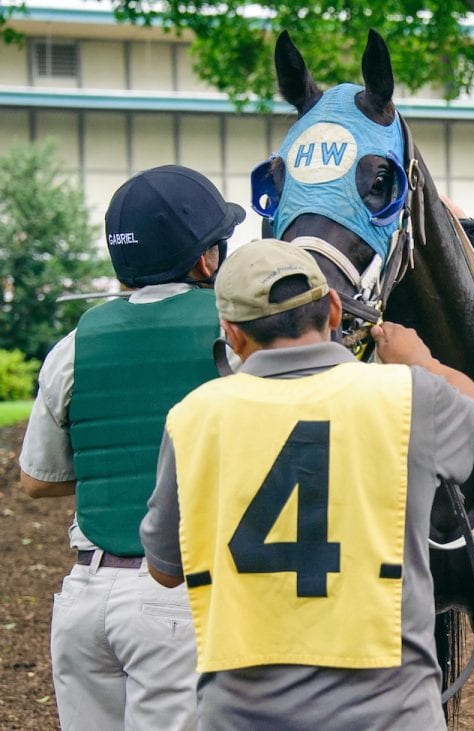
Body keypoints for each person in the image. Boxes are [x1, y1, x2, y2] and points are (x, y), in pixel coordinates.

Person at [140, 239, 474, 729]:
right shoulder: (408, 396)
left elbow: (165, 570)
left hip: (242, 715)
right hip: (390, 712)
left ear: (232, 334)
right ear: (332, 309)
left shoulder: (192, 417)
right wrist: (421, 360)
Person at [19, 164, 245, 730]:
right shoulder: (234, 332)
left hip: (83, 600)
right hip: (176, 598)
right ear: (205, 260)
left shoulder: (73, 344)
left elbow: (36, 481)